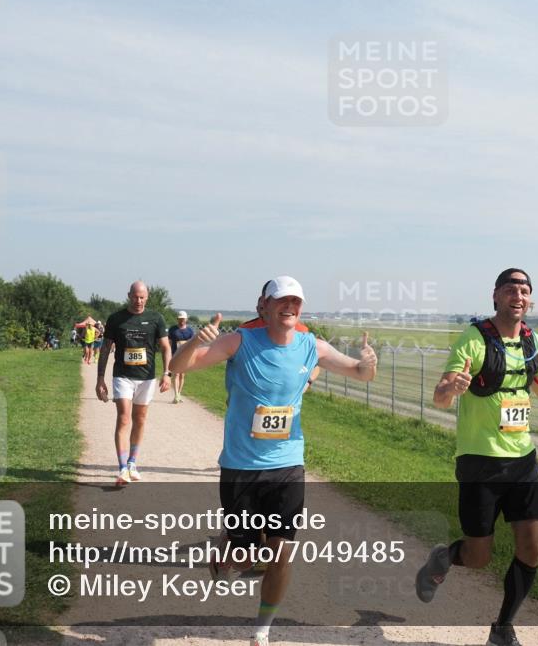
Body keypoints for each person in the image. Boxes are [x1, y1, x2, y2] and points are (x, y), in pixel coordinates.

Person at [169, 275, 377, 646]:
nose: (289, 307)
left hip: (287, 464)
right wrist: (194, 344)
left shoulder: (312, 345)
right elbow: (179, 367)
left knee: (281, 552)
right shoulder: (239, 341)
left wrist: (368, 362)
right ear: (263, 306)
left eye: (295, 301)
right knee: (245, 558)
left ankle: (262, 630)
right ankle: (227, 548)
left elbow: (360, 373)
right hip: (241, 466)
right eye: (282, 300)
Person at [414, 268, 538, 646]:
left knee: (532, 547)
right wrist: (452, 388)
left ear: (530, 300)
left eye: (524, 291)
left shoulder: (534, 343)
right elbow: (441, 395)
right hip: (480, 461)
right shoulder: (474, 339)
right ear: (496, 296)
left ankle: (502, 627)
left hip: (523, 461)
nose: (517, 296)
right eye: (510, 289)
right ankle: (444, 558)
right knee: (478, 556)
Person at [95, 282, 172, 485]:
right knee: (124, 418)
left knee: (140, 419)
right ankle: (122, 468)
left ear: (147, 297)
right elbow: (105, 349)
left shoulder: (156, 318)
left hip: (146, 378)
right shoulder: (116, 319)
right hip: (123, 376)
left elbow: (166, 347)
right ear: (129, 295)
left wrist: (167, 373)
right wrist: (100, 378)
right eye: (135, 297)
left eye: (142, 297)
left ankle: (132, 463)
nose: (138, 301)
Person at [167, 311, 196, 403]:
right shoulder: (173, 329)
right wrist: (169, 354)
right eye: (180, 319)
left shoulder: (190, 331)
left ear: (186, 319)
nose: (181, 321)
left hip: (185, 356)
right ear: (177, 319)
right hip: (175, 354)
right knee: (176, 374)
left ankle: (179, 394)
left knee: (182, 375)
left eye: (183, 319)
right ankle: (176, 395)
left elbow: (192, 344)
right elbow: (169, 342)